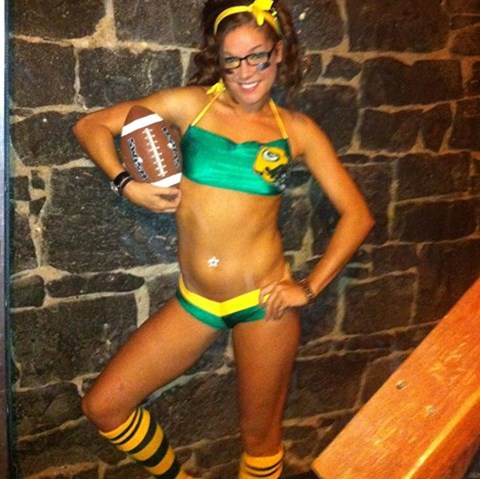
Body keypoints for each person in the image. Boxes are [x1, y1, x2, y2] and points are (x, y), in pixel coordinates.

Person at [74, 0, 374, 478]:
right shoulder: (192, 105)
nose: (245, 71)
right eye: (232, 60)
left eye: (257, 56)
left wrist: (309, 287)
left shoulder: (297, 131)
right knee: (105, 406)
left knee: (260, 439)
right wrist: (126, 184)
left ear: (279, 52)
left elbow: (357, 215)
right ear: (219, 60)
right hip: (196, 301)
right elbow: (91, 126)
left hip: (264, 305)